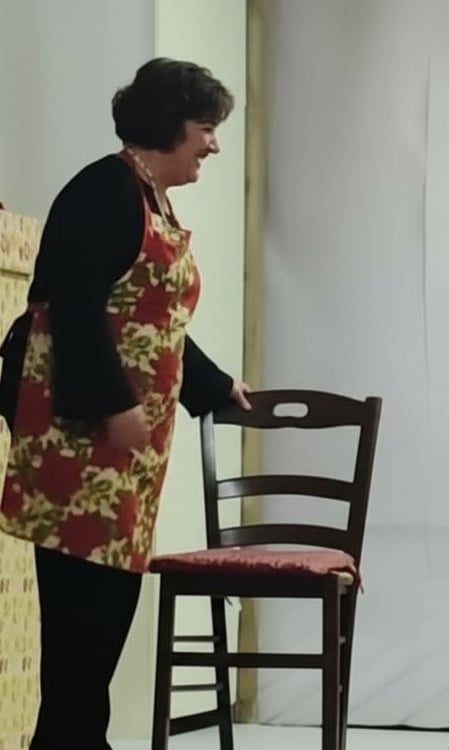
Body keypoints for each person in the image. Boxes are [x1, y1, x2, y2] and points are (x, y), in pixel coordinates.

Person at [0, 58, 250, 750]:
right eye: (206, 128)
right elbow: (72, 306)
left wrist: (215, 385)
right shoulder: (104, 190)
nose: (213, 145)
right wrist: (113, 405)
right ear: (171, 125)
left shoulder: (148, 197)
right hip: (83, 449)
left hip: (121, 463)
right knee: (84, 628)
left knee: (101, 624)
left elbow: (154, 321)